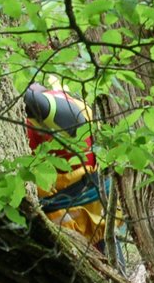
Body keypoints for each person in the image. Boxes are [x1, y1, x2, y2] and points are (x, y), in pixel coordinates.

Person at [23, 82, 107, 249]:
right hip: (84, 228)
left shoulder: (69, 123)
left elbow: (33, 101)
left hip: (80, 235)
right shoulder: (74, 116)